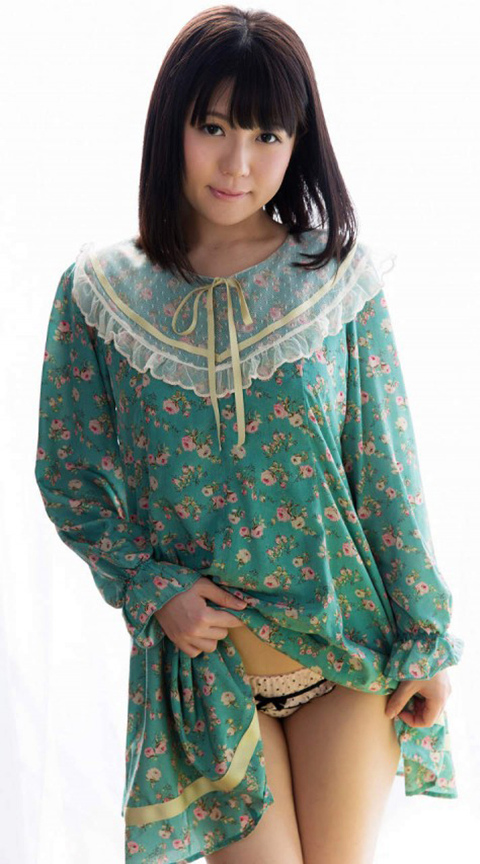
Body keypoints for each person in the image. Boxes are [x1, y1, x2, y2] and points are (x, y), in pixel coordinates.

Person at [34, 5, 465, 864]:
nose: (239, 163)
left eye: (268, 135)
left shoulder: (335, 279)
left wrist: (425, 638)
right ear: (172, 127)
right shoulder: (99, 292)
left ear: (298, 143)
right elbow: (69, 474)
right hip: (209, 672)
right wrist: (152, 586)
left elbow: (386, 471)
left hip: (349, 658)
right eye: (215, 127)